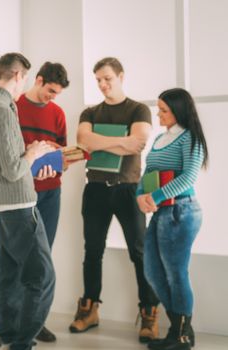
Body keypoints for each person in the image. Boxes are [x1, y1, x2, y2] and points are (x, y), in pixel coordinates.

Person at [0, 61, 70, 349]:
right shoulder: (4, 108)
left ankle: (11, 335)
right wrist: (34, 152)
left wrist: (40, 157)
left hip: (9, 206)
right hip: (19, 205)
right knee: (43, 278)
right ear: (20, 75)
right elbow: (13, 169)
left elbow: (8, 161)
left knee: (11, 275)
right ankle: (21, 342)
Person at [72, 57, 159, 342]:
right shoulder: (90, 111)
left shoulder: (138, 109)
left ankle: (149, 314)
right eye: (98, 79)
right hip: (95, 188)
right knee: (92, 250)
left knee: (139, 252)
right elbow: (83, 141)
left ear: (121, 76)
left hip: (128, 189)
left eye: (107, 78)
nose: (102, 84)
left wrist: (98, 141)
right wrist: (120, 142)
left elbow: (139, 141)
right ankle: (89, 310)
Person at [136, 88, 208, 350]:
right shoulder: (159, 139)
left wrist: (153, 197)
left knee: (176, 274)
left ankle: (180, 336)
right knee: (153, 273)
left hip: (181, 211)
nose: (159, 114)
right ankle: (179, 331)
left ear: (179, 110)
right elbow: (147, 172)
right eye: (158, 108)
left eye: (164, 110)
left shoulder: (191, 139)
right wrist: (140, 195)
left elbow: (188, 178)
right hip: (161, 211)